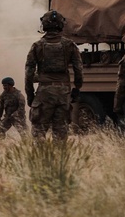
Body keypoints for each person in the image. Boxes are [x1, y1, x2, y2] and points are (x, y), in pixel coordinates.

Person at [24, 10, 84, 140]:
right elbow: (79, 69)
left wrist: (30, 96)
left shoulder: (37, 46)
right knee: (61, 133)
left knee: (39, 132)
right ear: (61, 25)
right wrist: (76, 89)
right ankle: (60, 158)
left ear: (44, 25)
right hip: (63, 93)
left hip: (43, 93)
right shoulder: (70, 45)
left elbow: (28, 75)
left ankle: (40, 159)